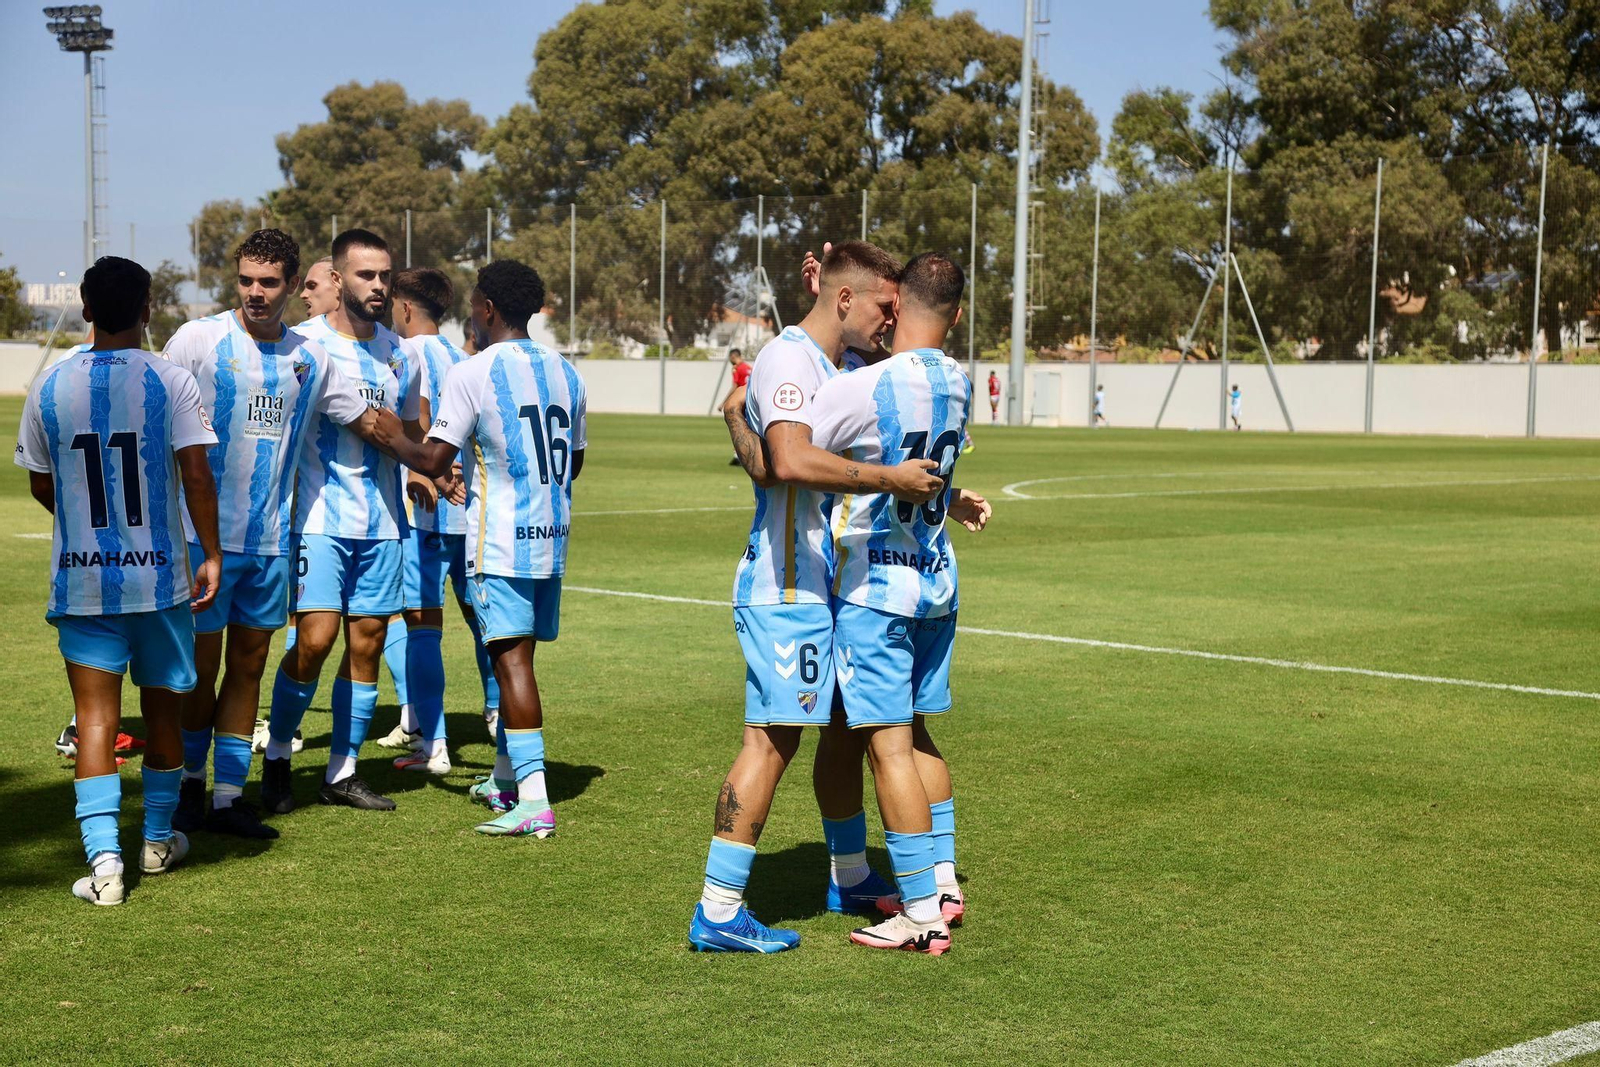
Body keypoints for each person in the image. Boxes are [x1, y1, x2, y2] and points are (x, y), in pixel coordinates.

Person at [688, 241, 946, 953]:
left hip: (823, 585)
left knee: (839, 727)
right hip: (785, 585)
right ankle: (717, 908)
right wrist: (891, 479)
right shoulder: (790, 357)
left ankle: (851, 873)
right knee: (770, 741)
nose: (890, 320)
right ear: (843, 299)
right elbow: (789, 461)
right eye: (882, 306)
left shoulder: (833, 367)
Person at [162, 229, 413, 839]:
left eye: (268, 282)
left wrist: (430, 456)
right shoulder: (198, 340)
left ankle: (228, 798)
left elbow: (365, 417)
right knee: (198, 669)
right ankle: (188, 787)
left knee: (247, 667)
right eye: (246, 280)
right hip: (202, 544)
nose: (255, 292)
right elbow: (154, 419)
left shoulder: (310, 355)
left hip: (272, 541)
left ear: (292, 281)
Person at [15, 256, 223, 905]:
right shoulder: (171, 380)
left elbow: (42, 481)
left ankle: (105, 868)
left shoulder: (50, 386)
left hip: (83, 583)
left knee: (96, 718)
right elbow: (195, 475)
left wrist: (84, 527)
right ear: (147, 307)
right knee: (162, 708)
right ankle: (156, 842)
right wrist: (209, 552)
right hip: (159, 582)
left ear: (84, 308)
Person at [807, 253, 984, 952]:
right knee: (916, 731)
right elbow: (937, 470)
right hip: (936, 580)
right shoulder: (963, 381)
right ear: (959, 314)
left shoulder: (867, 383)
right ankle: (942, 879)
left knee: (888, 747)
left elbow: (795, 453)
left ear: (895, 301)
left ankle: (919, 912)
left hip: (876, 587)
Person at [403, 259, 585, 837]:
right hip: (550, 539)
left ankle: (534, 801)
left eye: (475, 303)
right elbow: (574, 460)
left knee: (511, 663)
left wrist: (381, 429)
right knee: (519, 658)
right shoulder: (568, 372)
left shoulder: (473, 371)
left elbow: (433, 459)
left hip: (500, 540)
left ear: (487, 309)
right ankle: (506, 776)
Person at [259, 229, 423, 814]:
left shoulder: (399, 351)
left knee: (368, 643)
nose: (378, 286)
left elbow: (410, 427)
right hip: (318, 518)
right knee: (315, 640)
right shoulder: (304, 346)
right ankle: (277, 755)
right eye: (365, 275)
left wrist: (432, 471)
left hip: (384, 523)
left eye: (384, 276)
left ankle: (342, 771)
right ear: (339, 279)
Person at [376, 267, 502, 773]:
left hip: (424, 513)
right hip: (469, 517)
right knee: (483, 623)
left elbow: (420, 418)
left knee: (422, 626)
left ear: (405, 308)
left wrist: (424, 474)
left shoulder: (406, 353)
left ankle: (434, 744)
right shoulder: (460, 355)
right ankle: (497, 716)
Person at [727, 348, 753, 465]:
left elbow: (735, 386)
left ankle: (738, 456)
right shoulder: (749, 367)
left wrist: (725, 402)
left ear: (733, 357)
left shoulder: (737, 369)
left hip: (741, 402)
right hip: (751, 402)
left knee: (737, 427)